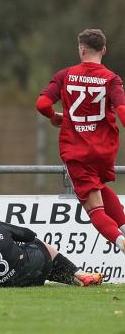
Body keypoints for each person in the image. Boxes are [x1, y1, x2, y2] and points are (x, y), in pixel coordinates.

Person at [36, 29, 125, 255]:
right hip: (104, 151)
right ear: (103, 50)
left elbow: (42, 104)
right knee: (99, 188)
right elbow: (123, 113)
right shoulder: (112, 79)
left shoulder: (65, 75)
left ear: (81, 49)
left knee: (93, 208)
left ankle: (120, 241)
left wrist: (54, 117)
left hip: (76, 151)